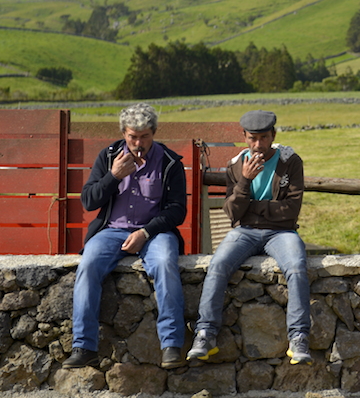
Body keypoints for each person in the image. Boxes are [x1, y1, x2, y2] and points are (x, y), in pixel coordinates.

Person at [64, 103, 187, 370]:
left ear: (153, 133)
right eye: (132, 136)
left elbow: (178, 211)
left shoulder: (170, 162)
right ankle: (84, 347)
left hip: (154, 232)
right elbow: (88, 201)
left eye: (144, 136)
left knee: (166, 263)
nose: (138, 143)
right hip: (111, 231)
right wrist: (114, 176)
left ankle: (171, 345)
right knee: (88, 264)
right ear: (123, 133)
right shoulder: (108, 157)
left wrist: (146, 232)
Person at [187, 110, 312, 365]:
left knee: (297, 268)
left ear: (273, 135)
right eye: (252, 138)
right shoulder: (236, 165)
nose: (257, 145)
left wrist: (252, 207)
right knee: (218, 264)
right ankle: (205, 334)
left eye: (263, 138)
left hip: (282, 232)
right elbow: (232, 212)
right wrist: (245, 181)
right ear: (244, 137)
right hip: (244, 231)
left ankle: (299, 337)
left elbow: (290, 212)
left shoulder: (290, 161)